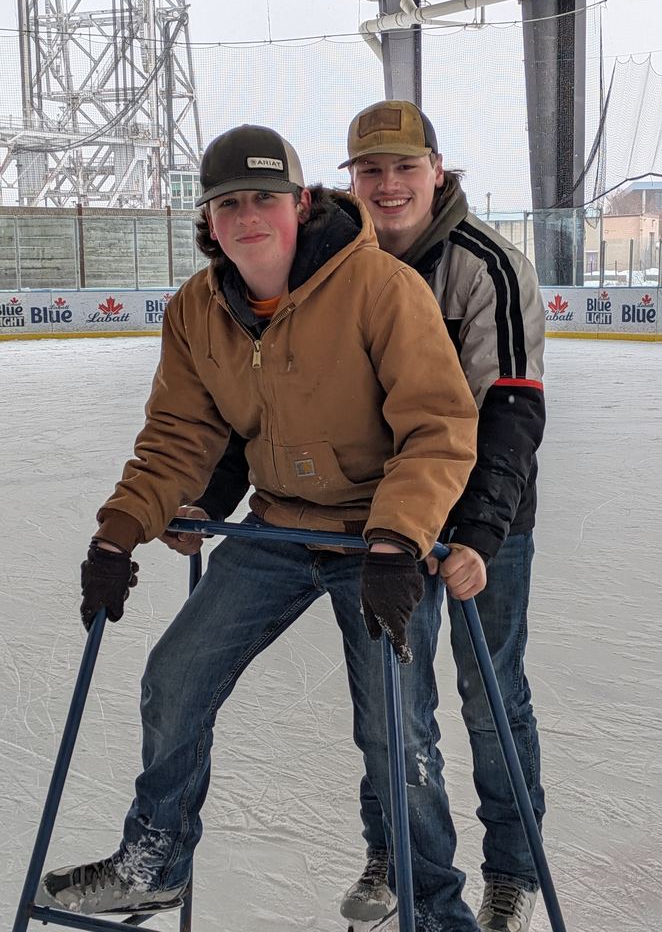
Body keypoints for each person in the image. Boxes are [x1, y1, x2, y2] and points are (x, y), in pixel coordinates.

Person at [35, 123, 483, 932]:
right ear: (208, 220)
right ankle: (154, 865)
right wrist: (117, 532)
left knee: (397, 732)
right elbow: (179, 436)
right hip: (276, 530)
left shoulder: (380, 289)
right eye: (229, 203)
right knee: (174, 679)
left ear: (300, 204)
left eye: (265, 199)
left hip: (376, 540)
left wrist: (397, 538)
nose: (248, 217)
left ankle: (436, 910)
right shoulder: (197, 311)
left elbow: (437, 428)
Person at [178, 103, 548, 932]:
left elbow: (510, 413)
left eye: (405, 167)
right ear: (346, 181)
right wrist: (213, 495)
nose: (388, 185)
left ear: (437, 172)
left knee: (491, 696)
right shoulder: (325, 262)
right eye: (370, 170)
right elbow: (269, 404)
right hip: (380, 519)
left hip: (481, 518)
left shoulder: (486, 266)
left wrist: (477, 535)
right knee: (390, 701)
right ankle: (395, 851)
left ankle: (512, 870)